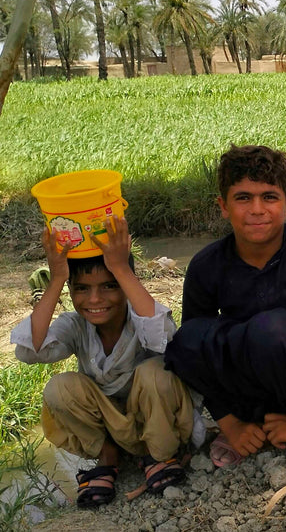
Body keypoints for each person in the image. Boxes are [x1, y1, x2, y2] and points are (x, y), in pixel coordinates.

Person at [164, 144, 286, 468]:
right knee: (186, 338)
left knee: (273, 330)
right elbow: (194, 350)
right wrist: (229, 422)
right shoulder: (206, 265)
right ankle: (246, 425)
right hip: (250, 389)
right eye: (243, 198)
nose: (257, 209)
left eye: (269, 197)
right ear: (223, 206)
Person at [11, 216, 193, 508]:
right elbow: (29, 351)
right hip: (111, 428)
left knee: (155, 371)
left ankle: (157, 454)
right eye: (82, 288)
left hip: (158, 422)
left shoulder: (140, 317)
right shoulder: (74, 325)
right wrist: (58, 276)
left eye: (109, 286)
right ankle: (108, 455)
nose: (95, 299)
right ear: (71, 291)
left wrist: (121, 266)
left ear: (124, 285)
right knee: (59, 387)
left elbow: (165, 338)